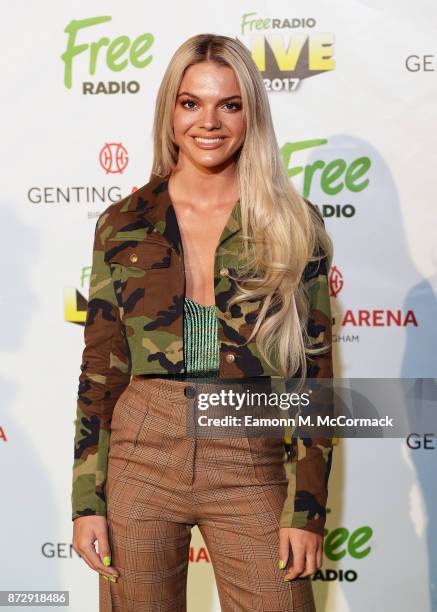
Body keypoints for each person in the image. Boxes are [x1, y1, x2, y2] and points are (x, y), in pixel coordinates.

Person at [71, 33, 334, 611]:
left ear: (251, 116)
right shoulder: (123, 221)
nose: (208, 122)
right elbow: (99, 371)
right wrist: (88, 500)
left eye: (229, 104)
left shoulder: (293, 223)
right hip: (141, 451)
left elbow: (315, 376)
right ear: (170, 111)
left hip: (249, 449)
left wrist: (307, 509)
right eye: (191, 103)